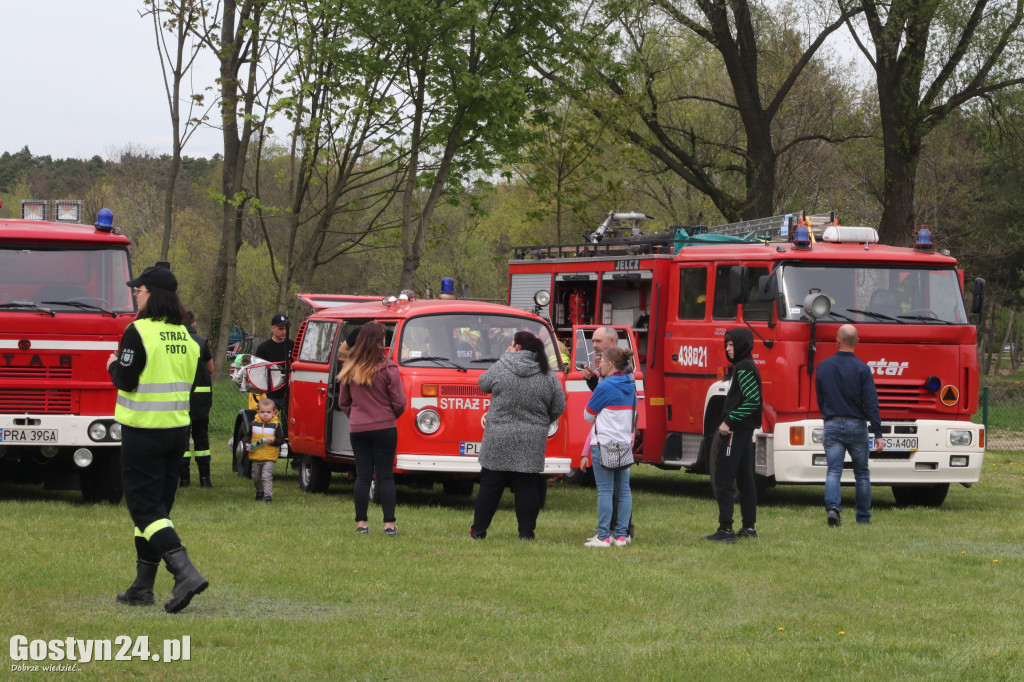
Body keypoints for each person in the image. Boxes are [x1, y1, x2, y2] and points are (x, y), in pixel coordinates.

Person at [107, 265, 208, 613]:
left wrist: (112, 366)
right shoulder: (189, 336)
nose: (135, 293)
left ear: (152, 295)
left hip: (143, 430)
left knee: (145, 508)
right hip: (177, 432)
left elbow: (125, 379)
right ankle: (142, 587)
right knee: (158, 509)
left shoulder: (137, 331)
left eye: (140, 289)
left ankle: (185, 573)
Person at [471, 331, 566, 541]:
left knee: (490, 486)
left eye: (512, 345)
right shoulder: (546, 373)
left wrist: (503, 357)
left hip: (498, 436)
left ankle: (478, 531)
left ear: (517, 347)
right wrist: (540, 421)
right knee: (527, 487)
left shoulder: (502, 366)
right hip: (531, 439)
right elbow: (559, 405)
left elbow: (482, 383)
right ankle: (526, 534)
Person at [337, 322, 406, 535]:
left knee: (363, 476)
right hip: (384, 427)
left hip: (358, 428)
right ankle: (389, 524)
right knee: (385, 476)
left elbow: (343, 402)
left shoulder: (350, 368)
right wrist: (387, 416)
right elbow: (399, 402)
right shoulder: (388, 368)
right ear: (379, 341)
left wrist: (357, 417)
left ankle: (362, 524)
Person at [816, 324, 884, 526]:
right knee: (862, 473)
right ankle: (863, 517)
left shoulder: (824, 366)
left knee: (833, 471)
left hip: (832, 423)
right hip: (857, 425)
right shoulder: (863, 368)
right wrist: (878, 433)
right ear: (857, 341)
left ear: (837, 339)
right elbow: (871, 402)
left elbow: (821, 397)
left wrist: (826, 416)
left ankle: (834, 509)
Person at [706, 328, 763, 543]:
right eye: (727, 345)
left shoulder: (744, 367)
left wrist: (728, 420)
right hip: (743, 431)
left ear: (742, 345)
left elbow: (752, 401)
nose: (728, 349)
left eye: (732, 344)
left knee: (724, 478)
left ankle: (726, 529)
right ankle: (748, 528)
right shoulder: (744, 365)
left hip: (735, 430)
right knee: (746, 479)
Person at [581, 346, 636, 547]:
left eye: (601, 361)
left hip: (603, 443)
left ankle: (603, 536)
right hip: (623, 443)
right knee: (623, 490)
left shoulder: (605, 387)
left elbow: (587, 415)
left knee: (605, 491)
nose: (599, 365)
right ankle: (621, 536)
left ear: (610, 365)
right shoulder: (630, 384)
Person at [179, 310, 215, 489]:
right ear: (194, 324)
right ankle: (205, 479)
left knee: (181, 437)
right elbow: (211, 368)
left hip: (180, 398)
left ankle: (183, 480)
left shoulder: (176, 342)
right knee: (201, 437)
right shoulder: (201, 342)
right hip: (201, 398)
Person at [248, 398, 285, 503]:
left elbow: (281, 440)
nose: (265, 414)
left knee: (266, 476)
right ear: (258, 412)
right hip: (256, 456)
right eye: (262, 412)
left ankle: (268, 496)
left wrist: (273, 441)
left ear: (274, 413)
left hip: (269, 457)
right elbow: (248, 436)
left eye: (268, 412)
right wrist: (246, 443)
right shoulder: (254, 423)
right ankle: (260, 491)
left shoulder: (276, 425)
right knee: (255, 476)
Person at [254, 313, 293, 410]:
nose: (284, 332)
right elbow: (258, 372)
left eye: (285, 329)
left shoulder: (293, 345)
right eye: (280, 329)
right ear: (272, 328)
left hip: (290, 393)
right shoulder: (263, 348)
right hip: (271, 394)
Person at [582, 326, 617, 390]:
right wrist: (592, 378)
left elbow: (608, 395)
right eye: (593, 341)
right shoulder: (608, 361)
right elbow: (601, 392)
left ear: (612, 342)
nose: (594, 345)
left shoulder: (620, 364)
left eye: (598, 341)